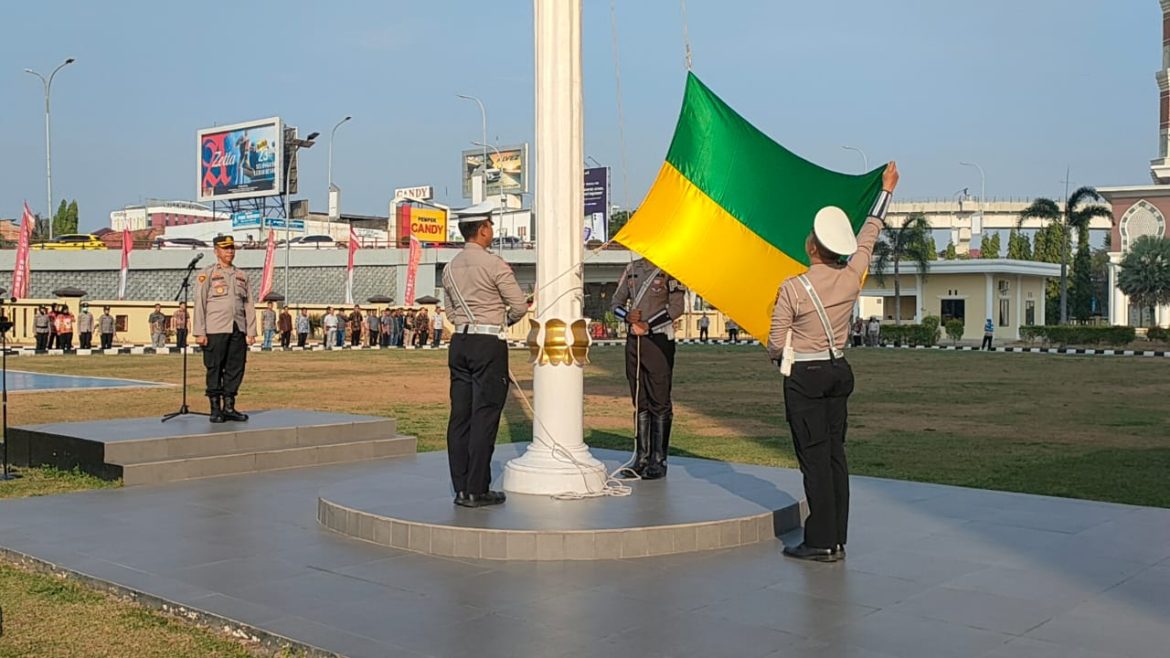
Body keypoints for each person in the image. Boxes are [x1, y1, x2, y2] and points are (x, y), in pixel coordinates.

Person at [768, 161, 899, 562]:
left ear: (812, 248)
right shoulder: (851, 276)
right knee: (835, 456)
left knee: (814, 459)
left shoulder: (792, 288)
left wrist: (780, 358)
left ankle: (820, 541)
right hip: (838, 370)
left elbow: (775, 343)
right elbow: (869, 235)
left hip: (805, 375)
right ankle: (838, 537)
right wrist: (886, 190)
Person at [442, 209, 528, 507]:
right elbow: (518, 306)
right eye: (489, 224)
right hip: (488, 342)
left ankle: (461, 486)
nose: (491, 229)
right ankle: (477, 488)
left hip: (461, 340)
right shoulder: (494, 264)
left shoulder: (450, 267)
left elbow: (450, 310)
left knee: (460, 416)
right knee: (485, 414)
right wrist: (501, 320)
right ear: (482, 230)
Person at [611, 256, 686, 480]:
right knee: (640, 398)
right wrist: (627, 316)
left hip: (659, 340)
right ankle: (641, 458)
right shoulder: (632, 268)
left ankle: (658, 460)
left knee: (659, 399)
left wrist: (648, 324)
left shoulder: (671, 270)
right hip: (635, 341)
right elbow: (615, 303)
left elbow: (677, 307)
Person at [193, 235, 256, 423]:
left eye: (232, 248)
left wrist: (251, 331)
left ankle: (229, 406)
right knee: (214, 368)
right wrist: (199, 332)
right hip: (215, 329)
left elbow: (249, 304)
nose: (230, 251)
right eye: (225, 248)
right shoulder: (208, 274)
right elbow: (200, 303)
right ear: (216, 251)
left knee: (235, 368)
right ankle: (215, 408)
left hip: (237, 328)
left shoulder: (242, 275)